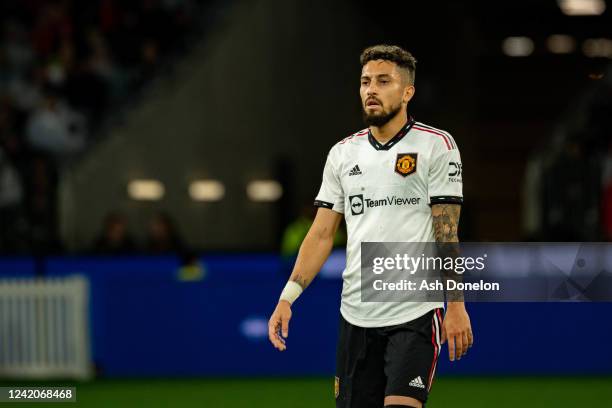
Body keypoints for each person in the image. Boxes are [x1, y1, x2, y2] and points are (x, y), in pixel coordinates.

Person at [268, 45, 473, 408]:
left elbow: (446, 232)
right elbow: (321, 234)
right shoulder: (343, 154)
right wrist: (287, 297)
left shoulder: (436, 146)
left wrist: (455, 304)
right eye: (365, 82)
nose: (371, 90)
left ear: (407, 92)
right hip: (356, 316)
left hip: (415, 314)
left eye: (383, 81)